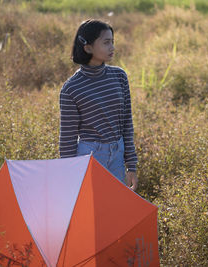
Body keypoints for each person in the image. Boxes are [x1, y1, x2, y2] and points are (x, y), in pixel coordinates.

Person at [59, 19, 138, 191]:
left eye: (113, 42)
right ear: (88, 48)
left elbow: (126, 122)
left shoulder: (119, 76)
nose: (112, 48)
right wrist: (66, 174)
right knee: (91, 210)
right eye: (106, 42)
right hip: (90, 156)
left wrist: (131, 164)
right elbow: (67, 139)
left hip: (117, 153)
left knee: (117, 206)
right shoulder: (71, 89)